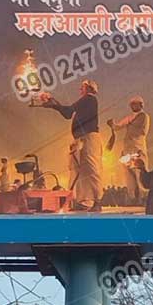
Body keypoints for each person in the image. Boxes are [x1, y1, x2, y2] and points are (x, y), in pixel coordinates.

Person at [38, 79, 103, 210]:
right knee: (77, 170)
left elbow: (69, 110)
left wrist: (53, 102)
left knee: (91, 168)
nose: (80, 89)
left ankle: (97, 200)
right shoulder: (85, 101)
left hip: (89, 138)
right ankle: (82, 201)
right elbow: (68, 114)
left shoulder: (89, 99)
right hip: (80, 139)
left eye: (82, 87)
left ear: (89, 88)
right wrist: (54, 104)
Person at [110, 96, 151, 203]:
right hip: (127, 149)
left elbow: (139, 129)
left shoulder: (144, 116)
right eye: (131, 104)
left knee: (138, 173)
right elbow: (118, 127)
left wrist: (126, 123)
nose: (133, 106)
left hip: (137, 148)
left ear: (141, 105)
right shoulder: (130, 118)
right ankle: (132, 197)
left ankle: (143, 197)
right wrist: (113, 124)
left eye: (135, 104)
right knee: (129, 175)